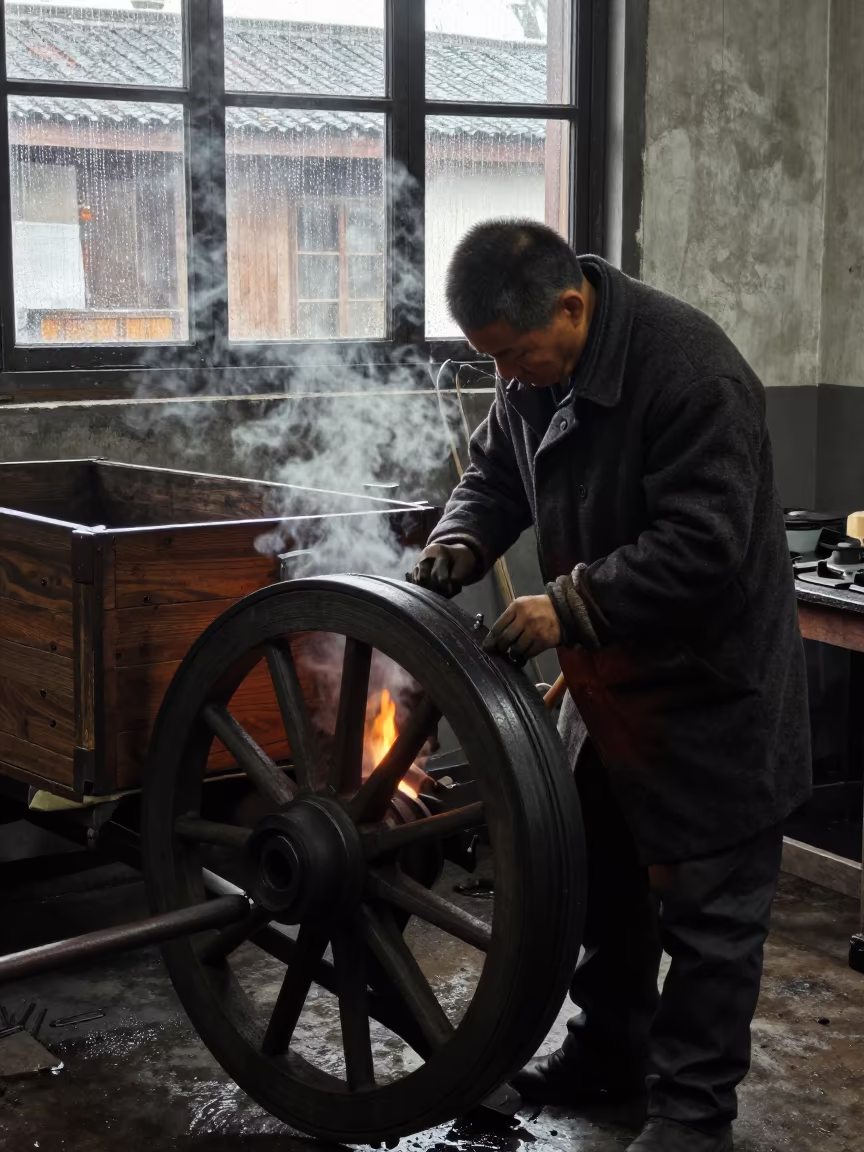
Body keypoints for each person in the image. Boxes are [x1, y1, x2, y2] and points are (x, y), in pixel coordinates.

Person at [410, 220, 811, 1152]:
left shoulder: (691, 374)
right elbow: (495, 469)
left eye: (513, 355)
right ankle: (607, 1055)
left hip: (713, 698)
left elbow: (703, 548)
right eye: (491, 363)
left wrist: (568, 603)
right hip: (613, 690)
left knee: (709, 919)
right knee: (610, 891)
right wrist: (462, 536)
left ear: (573, 306)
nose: (506, 377)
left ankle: (693, 1115)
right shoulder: (531, 379)